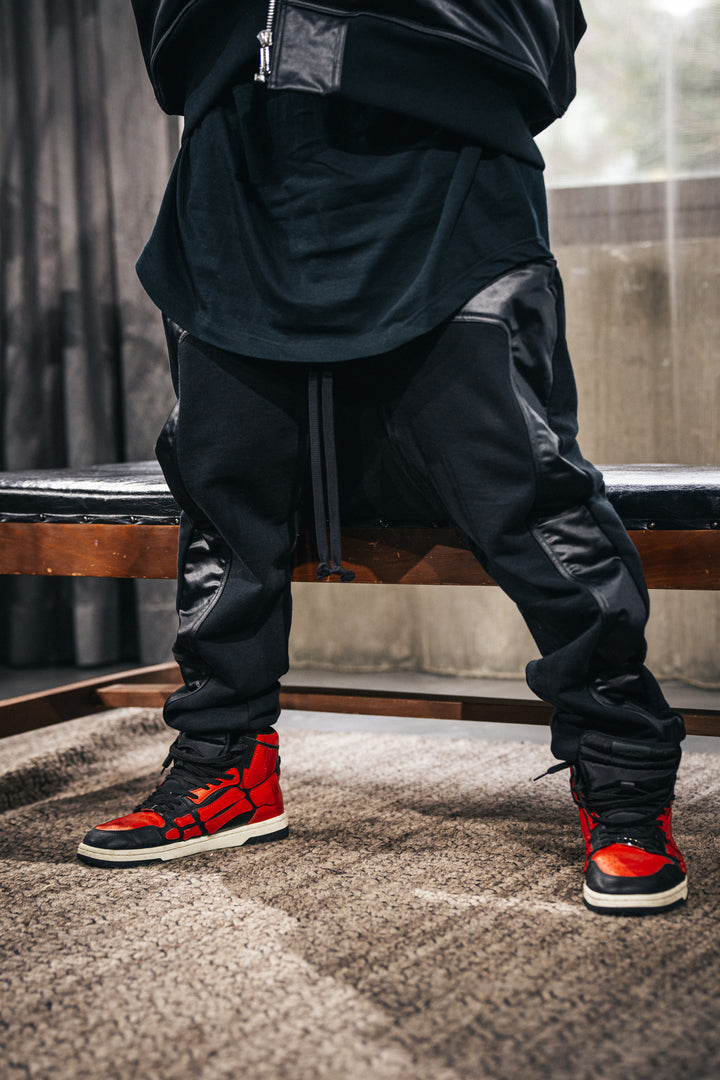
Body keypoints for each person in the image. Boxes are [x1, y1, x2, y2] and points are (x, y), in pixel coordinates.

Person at [77, 0, 688, 915]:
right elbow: (173, 51)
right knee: (224, 509)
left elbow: (541, 47)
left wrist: (336, 38)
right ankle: (225, 766)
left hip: (446, 192)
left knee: (530, 502)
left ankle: (625, 778)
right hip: (243, 195)